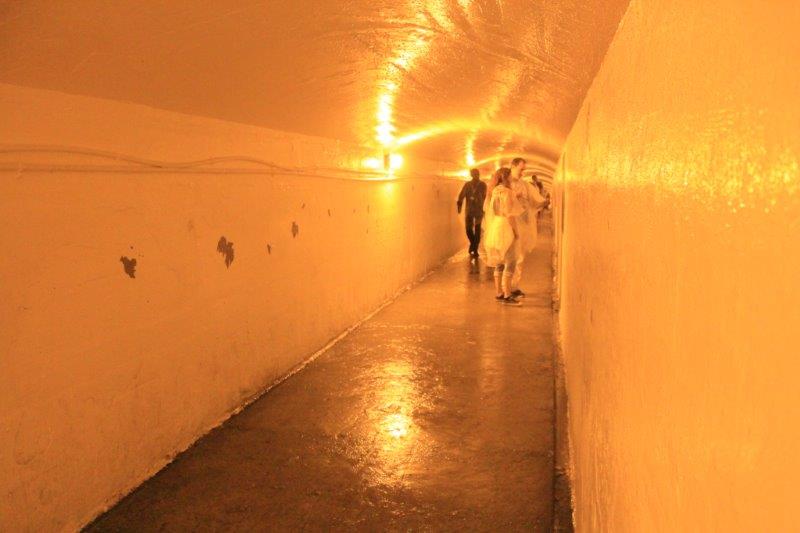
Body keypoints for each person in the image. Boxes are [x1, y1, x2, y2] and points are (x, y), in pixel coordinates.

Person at [507, 158, 547, 298]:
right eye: (521, 169)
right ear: (513, 166)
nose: (523, 172)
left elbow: (535, 200)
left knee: (520, 257)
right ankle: (506, 290)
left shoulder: (524, 185)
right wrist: (514, 196)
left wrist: (543, 202)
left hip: (522, 225)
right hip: (509, 225)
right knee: (509, 258)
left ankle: (514, 287)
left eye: (524, 169)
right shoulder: (505, 184)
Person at [483, 167, 523, 305]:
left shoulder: (494, 191)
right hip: (506, 226)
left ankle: (499, 292)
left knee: (499, 261)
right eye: (510, 175)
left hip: (496, 226)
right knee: (510, 261)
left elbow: (491, 210)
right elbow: (510, 214)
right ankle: (507, 295)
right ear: (506, 177)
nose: (512, 178)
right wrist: (516, 232)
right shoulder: (507, 192)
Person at [456, 168, 487, 259]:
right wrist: (459, 207)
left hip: (479, 210)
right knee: (468, 230)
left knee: (477, 229)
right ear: (471, 175)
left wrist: (485, 208)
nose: (476, 175)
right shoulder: (467, 185)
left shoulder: (483, 185)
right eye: (475, 174)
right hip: (469, 210)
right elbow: (461, 196)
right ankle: (473, 244)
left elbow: (485, 197)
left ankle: (475, 249)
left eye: (477, 174)